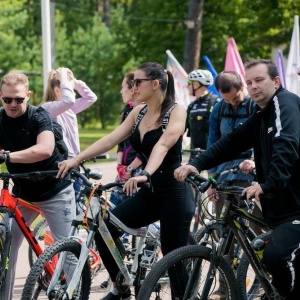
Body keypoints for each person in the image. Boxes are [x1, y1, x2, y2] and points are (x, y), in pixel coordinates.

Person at [57, 62, 195, 300]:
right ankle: (121, 286)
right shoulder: (138, 111)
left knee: (174, 257)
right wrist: (76, 159)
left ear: (155, 83)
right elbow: (111, 138)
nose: (133, 86)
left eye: (137, 82)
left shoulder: (176, 111)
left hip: (174, 192)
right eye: (132, 82)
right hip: (151, 193)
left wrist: (146, 173)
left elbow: (163, 145)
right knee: (105, 230)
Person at [174, 58, 300, 300]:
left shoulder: (285, 105)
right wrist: (196, 164)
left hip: (296, 208)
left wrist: (267, 184)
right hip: (283, 207)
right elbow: (231, 141)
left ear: (276, 81)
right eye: (249, 82)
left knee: (277, 257)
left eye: (259, 80)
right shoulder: (263, 114)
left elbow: (287, 145)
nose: (253, 86)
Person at [0, 71, 76, 300]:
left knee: (67, 250)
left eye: (19, 99)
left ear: (28, 96)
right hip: (22, 194)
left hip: (55, 191)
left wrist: (8, 157)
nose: (13, 104)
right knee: (5, 245)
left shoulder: (39, 117)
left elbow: (45, 149)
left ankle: (75, 293)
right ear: (1, 96)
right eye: (7, 99)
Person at [206, 71, 262, 300]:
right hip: (223, 175)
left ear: (243, 87)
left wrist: (258, 165)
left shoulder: (256, 107)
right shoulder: (218, 110)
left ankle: (263, 277)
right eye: (226, 99)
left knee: (258, 229)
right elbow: (213, 143)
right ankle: (223, 286)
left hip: (251, 174)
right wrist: (211, 179)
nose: (231, 103)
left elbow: (264, 141)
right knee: (223, 231)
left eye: (235, 98)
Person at [40, 67, 97, 159]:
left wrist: (75, 82)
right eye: (69, 90)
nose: (73, 94)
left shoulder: (69, 108)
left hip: (74, 157)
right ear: (57, 90)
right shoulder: (47, 107)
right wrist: (63, 80)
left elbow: (91, 98)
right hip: (61, 159)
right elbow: (69, 101)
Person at [110, 72, 142, 206]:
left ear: (133, 89)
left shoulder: (144, 112)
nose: (121, 91)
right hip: (124, 170)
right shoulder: (127, 111)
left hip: (138, 170)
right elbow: (120, 142)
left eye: (123, 87)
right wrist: (120, 166)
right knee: (112, 206)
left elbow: (145, 149)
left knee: (133, 213)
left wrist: (129, 169)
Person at [185, 69, 220, 161]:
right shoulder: (191, 106)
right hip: (194, 155)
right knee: (188, 176)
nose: (187, 86)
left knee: (212, 176)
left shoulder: (216, 102)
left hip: (213, 153)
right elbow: (181, 129)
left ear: (196, 84)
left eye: (189, 82)